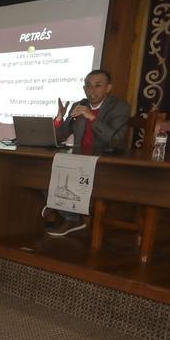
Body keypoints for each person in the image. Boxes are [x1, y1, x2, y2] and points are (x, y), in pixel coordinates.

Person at [44, 69, 132, 237]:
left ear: (108, 88)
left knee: (67, 169)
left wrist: (92, 117)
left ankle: (68, 215)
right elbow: (60, 137)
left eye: (98, 86)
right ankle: (57, 207)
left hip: (106, 160)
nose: (92, 90)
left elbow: (116, 140)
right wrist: (59, 118)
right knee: (44, 165)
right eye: (88, 86)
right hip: (79, 159)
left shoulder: (120, 107)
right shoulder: (80, 105)